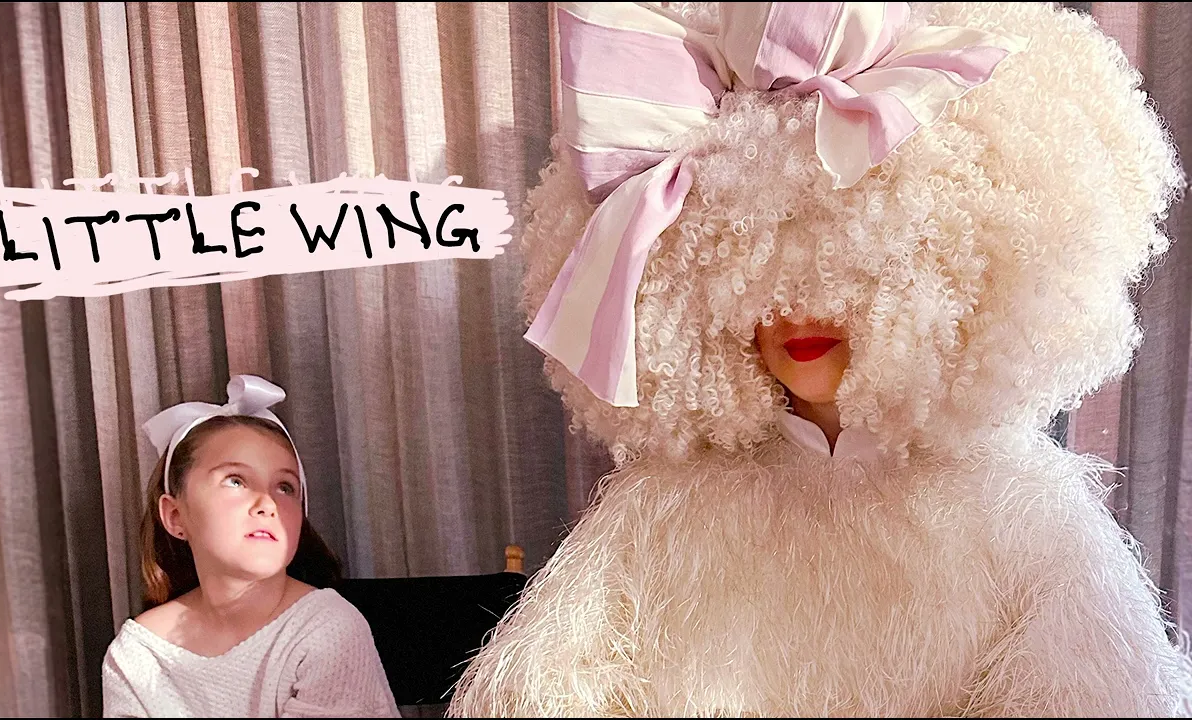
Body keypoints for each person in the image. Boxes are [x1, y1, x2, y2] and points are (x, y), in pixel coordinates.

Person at [449, 1, 1192, 716]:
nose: (796, 312)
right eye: (753, 271)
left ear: (935, 275)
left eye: (845, 275)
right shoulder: (667, 509)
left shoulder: (1015, 512)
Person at [101, 376, 399, 718]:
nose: (267, 503)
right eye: (236, 481)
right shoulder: (138, 654)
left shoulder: (330, 629)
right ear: (175, 515)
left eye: (285, 487)